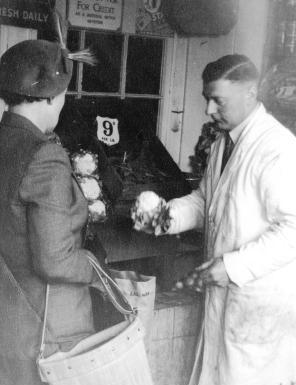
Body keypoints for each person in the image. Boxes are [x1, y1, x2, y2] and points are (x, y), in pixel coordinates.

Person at [141, 54, 296, 384]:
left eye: (218, 100)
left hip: (258, 304)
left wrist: (232, 266)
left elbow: (293, 229)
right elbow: (205, 201)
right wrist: (166, 217)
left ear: (251, 92)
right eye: (206, 99)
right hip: (225, 299)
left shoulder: (278, 148)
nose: (209, 110)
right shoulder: (223, 144)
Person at [0, 39, 106, 385]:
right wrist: (96, 267)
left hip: (9, 329)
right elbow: (55, 261)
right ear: (51, 96)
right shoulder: (45, 156)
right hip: (49, 333)